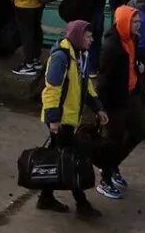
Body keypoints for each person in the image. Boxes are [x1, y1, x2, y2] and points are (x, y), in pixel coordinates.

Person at [35, 19, 102, 214]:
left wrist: (98, 108)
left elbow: (85, 85)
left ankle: (46, 197)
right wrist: (54, 119)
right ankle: (81, 203)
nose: (92, 40)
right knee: (71, 159)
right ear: (78, 37)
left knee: (59, 158)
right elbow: (52, 90)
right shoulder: (61, 57)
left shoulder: (80, 56)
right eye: (88, 36)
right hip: (61, 120)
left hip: (68, 119)